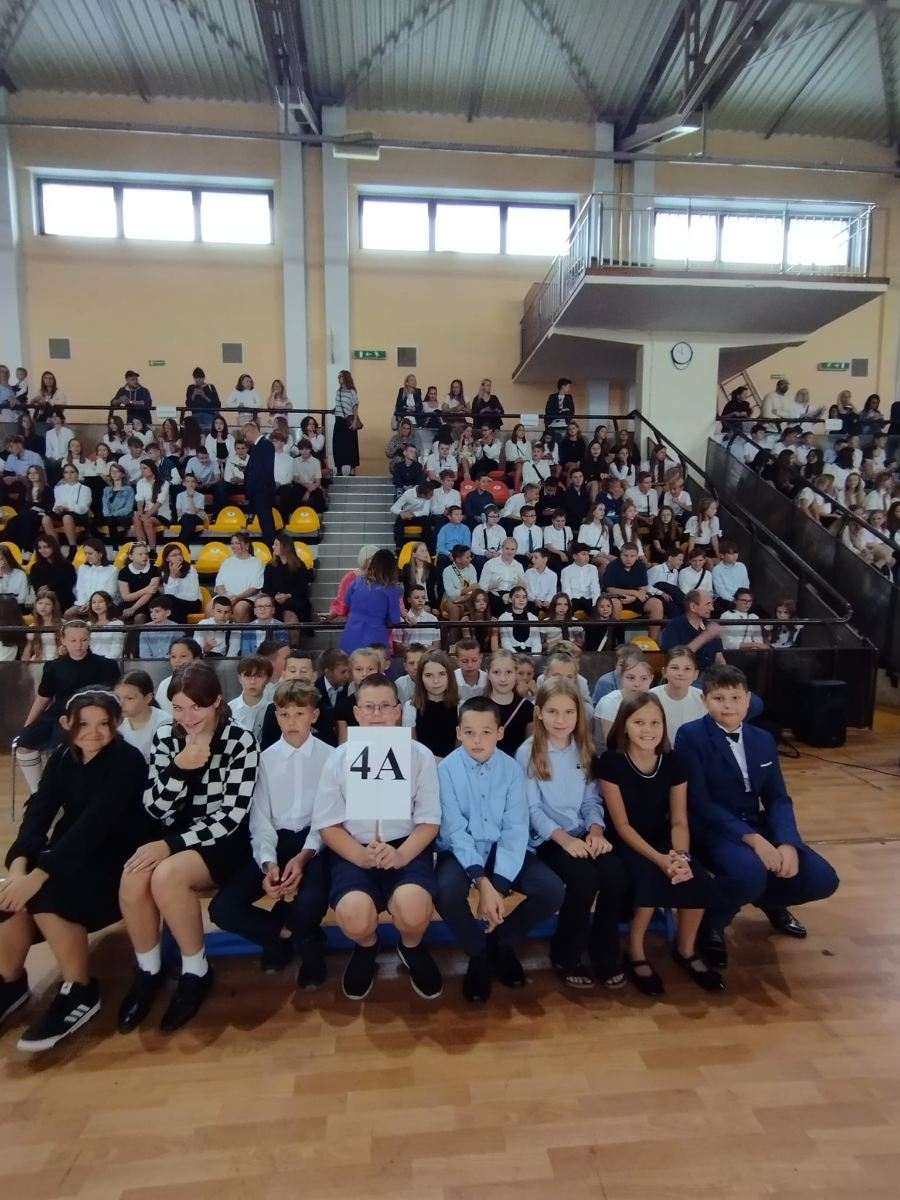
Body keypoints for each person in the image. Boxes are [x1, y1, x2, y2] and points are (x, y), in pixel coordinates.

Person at [0, 689, 151, 1052]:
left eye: (103, 724)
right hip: (71, 853)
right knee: (6, 893)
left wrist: (37, 876)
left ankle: (80, 989)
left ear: (116, 723)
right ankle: (9, 981)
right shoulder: (64, 757)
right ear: (67, 723)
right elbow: (39, 811)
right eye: (83, 724)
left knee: (44, 892)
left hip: (117, 861)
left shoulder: (127, 762)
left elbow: (94, 826)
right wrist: (19, 867)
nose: (93, 732)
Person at [117, 663, 259, 1034]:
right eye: (178, 708)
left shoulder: (240, 740)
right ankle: (148, 969)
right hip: (174, 835)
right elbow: (153, 807)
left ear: (216, 702)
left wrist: (171, 845)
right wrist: (178, 768)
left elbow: (231, 816)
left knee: (167, 876)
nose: (187, 716)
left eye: (196, 706)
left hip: (224, 840)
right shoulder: (166, 736)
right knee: (132, 877)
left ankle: (196, 970)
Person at [675, 665, 839, 970]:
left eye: (735, 698)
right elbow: (699, 801)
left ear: (748, 699)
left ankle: (770, 900)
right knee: (749, 874)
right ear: (704, 700)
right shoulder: (690, 736)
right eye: (719, 698)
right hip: (713, 828)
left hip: (756, 821)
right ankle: (712, 923)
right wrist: (753, 840)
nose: (728, 706)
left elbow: (777, 797)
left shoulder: (762, 738)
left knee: (822, 879)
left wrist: (787, 842)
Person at [311, 673, 443, 1000]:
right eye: (369, 707)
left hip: (405, 847)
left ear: (398, 711)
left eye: (385, 706)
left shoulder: (420, 756)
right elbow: (328, 824)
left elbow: (429, 821)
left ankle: (410, 946)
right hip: (354, 848)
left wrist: (401, 855)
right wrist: (359, 855)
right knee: (354, 915)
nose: (377, 714)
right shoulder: (338, 759)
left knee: (414, 909)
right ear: (357, 713)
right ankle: (367, 947)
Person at [435, 696, 564, 1003]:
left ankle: (500, 941)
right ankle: (478, 952)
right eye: (469, 733)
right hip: (460, 850)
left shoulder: (511, 769)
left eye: (486, 732)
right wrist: (482, 882)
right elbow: (454, 831)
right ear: (458, 732)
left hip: (502, 849)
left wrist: (500, 885)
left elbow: (515, 829)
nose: (477, 740)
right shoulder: (446, 769)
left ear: (500, 732)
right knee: (445, 893)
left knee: (551, 890)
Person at [208, 681, 332, 986]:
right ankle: (287, 936)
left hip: (315, 843)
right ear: (275, 715)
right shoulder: (263, 760)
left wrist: (303, 857)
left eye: (300, 714)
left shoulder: (332, 758)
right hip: (275, 840)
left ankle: (305, 945)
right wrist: (268, 863)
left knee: (310, 902)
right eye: (284, 714)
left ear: (314, 715)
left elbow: (328, 818)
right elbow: (260, 821)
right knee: (223, 909)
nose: (292, 722)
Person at [599, 694, 724, 997]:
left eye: (655, 722)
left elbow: (679, 819)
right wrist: (659, 859)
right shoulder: (611, 763)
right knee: (650, 876)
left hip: (662, 837)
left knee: (695, 877)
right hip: (626, 840)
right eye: (639, 722)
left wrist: (681, 856)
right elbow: (622, 825)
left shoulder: (674, 763)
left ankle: (685, 948)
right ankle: (635, 950)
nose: (648, 729)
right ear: (624, 726)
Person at [517, 677, 628, 989]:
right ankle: (565, 954)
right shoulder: (528, 753)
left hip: (582, 832)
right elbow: (532, 810)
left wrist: (596, 830)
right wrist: (564, 840)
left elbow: (592, 800)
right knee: (583, 880)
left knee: (616, 876)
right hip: (548, 839)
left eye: (569, 712)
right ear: (539, 713)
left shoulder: (585, 749)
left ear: (579, 714)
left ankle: (604, 950)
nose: (561, 720)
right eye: (553, 712)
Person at [14, 620, 121, 791]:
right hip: (59, 714)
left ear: (89, 639)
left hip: (92, 718)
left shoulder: (106, 665)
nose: (79, 645)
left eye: (83, 640)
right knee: (25, 743)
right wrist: (27, 725)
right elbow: (43, 698)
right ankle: (38, 791)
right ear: (63, 640)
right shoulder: (54, 666)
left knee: (65, 746)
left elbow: (116, 697)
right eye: (73, 640)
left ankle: (69, 791)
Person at [339, 549, 403, 654]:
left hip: (350, 635)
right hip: (375, 638)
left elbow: (347, 601)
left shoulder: (358, 581)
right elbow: (394, 619)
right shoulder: (391, 590)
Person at [401, 647, 459, 759]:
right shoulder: (411, 707)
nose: (436, 681)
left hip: (452, 764)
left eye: (442, 674)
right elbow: (411, 745)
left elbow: (460, 747)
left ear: (450, 676)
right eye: (428, 675)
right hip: (422, 764)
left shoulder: (461, 706)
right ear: (421, 678)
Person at [660, 589, 726, 673]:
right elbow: (675, 659)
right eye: (708, 604)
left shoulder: (710, 626)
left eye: (711, 604)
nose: (712, 608)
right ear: (693, 607)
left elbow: (719, 659)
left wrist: (725, 675)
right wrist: (705, 636)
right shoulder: (673, 627)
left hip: (709, 677)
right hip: (684, 676)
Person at [483, 648, 534, 754]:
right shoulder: (476, 707)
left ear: (516, 674)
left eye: (508, 672)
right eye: (496, 672)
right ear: (488, 674)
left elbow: (529, 749)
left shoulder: (528, 708)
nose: (503, 679)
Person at [649, 647, 707, 740]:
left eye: (687, 669)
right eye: (675, 668)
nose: (681, 673)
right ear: (664, 672)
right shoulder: (650, 697)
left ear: (696, 674)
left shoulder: (703, 698)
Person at [116, 669, 171, 761]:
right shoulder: (115, 724)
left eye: (129, 698)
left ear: (148, 698)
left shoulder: (164, 724)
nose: (121, 704)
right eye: (118, 698)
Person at [212, 531, 265, 623]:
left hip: (247, 598)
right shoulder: (227, 562)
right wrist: (225, 597)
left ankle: (239, 632)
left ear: (246, 545)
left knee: (240, 608)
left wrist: (237, 597)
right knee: (209, 607)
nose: (233, 546)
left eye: (237, 543)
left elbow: (255, 587)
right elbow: (219, 584)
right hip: (226, 597)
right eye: (232, 543)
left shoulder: (257, 563)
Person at [241, 421, 277, 546]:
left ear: (252, 430)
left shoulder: (265, 445)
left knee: (267, 524)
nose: (245, 438)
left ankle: (271, 549)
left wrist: (257, 488)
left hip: (262, 491)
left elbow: (265, 470)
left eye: (245, 434)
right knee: (263, 523)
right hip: (256, 492)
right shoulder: (257, 446)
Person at [228, 653, 275, 740]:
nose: (252, 682)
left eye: (259, 676)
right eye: (247, 675)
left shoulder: (274, 710)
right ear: (239, 678)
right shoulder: (229, 709)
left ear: (268, 679)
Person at [118, 539, 163, 626]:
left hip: (150, 602)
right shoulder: (123, 572)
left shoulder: (155, 570)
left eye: (146, 554)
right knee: (119, 613)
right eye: (140, 554)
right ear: (131, 556)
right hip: (130, 601)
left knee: (140, 617)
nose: (144, 556)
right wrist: (146, 589)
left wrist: (133, 608)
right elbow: (126, 597)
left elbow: (150, 593)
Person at [27, 533, 75, 611]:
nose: (42, 550)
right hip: (43, 602)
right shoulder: (35, 567)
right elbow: (36, 588)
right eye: (39, 548)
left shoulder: (67, 566)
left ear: (54, 547)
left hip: (64, 602)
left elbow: (67, 588)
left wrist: (49, 589)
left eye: (46, 547)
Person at [496, 586, 542, 655]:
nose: (521, 600)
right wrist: (516, 657)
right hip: (512, 655)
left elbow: (536, 642)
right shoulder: (503, 618)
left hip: (531, 656)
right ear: (510, 599)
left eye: (524, 597)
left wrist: (535, 657)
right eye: (517, 597)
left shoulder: (533, 618)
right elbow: (505, 643)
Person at [332, 368, 360, 477]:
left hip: (348, 420)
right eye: (339, 376)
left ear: (346, 377)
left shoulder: (351, 391)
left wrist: (355, 421)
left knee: (351, 445)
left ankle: (352, 469)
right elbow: (339, 404)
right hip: (338, 420)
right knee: (337, 445)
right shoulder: (338, 391)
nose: (339, 378)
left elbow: (355, 407)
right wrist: (335, 410)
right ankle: (339, 468)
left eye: (341, 376)